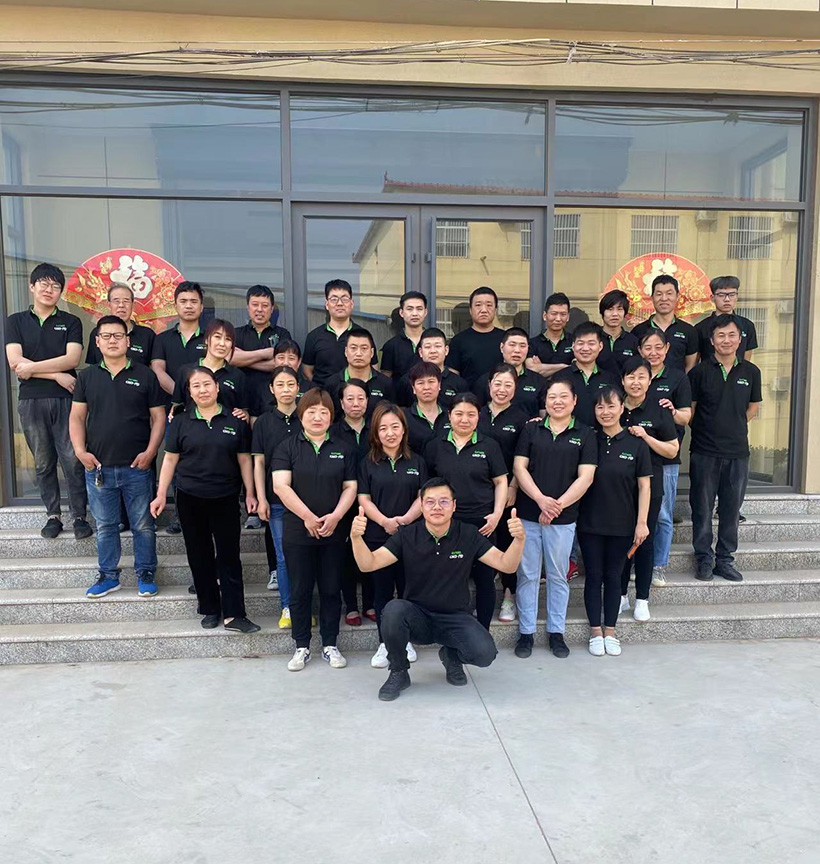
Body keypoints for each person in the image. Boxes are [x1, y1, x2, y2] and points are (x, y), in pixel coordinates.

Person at [350, 479, 525, 702]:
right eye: (430, 502)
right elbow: (369, 564)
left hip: (455, 617)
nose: (437, 507)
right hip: (418, 617)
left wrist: (519, 540)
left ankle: (451, 656)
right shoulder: (407, 535)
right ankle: (399, 672)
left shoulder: (468, 534)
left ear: (454, 505)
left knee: (485, 654)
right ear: (421, 506)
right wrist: (356, 538)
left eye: (444, 501)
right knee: (393, 610)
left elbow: (506, 565)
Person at [150, 366, 260, 633]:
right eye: (196, 386)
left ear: (217, 387)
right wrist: (161, 494)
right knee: (199, 556)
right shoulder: (181, 422)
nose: (203, 390)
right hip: (190, 497)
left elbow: (245, 460)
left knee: (229, 556)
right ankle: (210, 608)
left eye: (207, 384)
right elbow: (170, 460)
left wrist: (250, 493)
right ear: (189, 392)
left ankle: (234, 614)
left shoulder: (235, 421)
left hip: (225, 496)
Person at [70, 316, 166, 597]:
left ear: (128, 341)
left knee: (143, 525)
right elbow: (77, 417)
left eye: (118, 336)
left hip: (137, 466)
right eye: (106, 336)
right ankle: (108, 576)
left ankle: (146, 572)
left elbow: (158, 418)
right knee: (105, 526)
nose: (112, 341)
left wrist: (151, 452)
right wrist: (80, 451)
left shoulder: (145, 375)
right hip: (98, 467)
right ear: (97, 342)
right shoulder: (86, 377)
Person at [273, 388, 358, 672]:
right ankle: (301, 646)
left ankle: (330, 644)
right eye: (312, 411)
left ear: (332, 416)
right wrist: (308, 517)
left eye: (324, 412)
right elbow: (281, 486)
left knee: (332, 589)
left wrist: (336, 516)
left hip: (334, 531)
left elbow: (350, 487)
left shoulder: (343, 448)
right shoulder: (287, 447)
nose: (318, 417)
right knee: (300, 590)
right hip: (298, 531)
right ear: (301, 415)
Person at [4, 263, 91, 539]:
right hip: (32, 400)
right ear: (32, 286)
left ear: (60, 292)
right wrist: (56, 375)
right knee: (43, 462)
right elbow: (15, 362)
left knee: (72, 459)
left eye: (55, 286)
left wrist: (33, 368)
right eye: (43, 283)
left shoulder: (71, 321)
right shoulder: (15, 321)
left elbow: (72, 359)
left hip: (66, 400)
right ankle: (53, 515)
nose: (49, 289)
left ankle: (79, 516)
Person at [513, 375, 597, 659]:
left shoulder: (585, 434)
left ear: (574, 401)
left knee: (558, 576)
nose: (557, 402)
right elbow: (520, 468)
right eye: (552, 397)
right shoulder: (531, 430)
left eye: (563, 397)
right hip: (529, 514)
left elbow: (586, 477)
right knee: (527, 574)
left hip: (563, 518)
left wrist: (556, 506)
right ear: (545, 402)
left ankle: (556, 632)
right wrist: (540, 500)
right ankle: (526, 632)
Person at [577, 387, 651, 657]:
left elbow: (644, 486)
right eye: (600, 407)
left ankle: (611, 630)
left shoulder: (636, 444)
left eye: (611, 406)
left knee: (614, 577)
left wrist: (641, 523)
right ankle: (595, 631)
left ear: (622, 408)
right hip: (590, 523)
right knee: (594, 575)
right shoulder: (588, 439)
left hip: (622, 524)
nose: (605, 412)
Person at [424, 393, 508, 629]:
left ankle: (482, 631)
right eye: (459, 414)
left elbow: (501, 481)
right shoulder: (435, 446)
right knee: (449, 579)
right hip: (446, 525)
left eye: (471, 414)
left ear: (478, 416)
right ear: (449, 415)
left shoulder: (489, 445)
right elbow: (427, 487)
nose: (464, 419)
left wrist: (497, 514)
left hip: (483, 523)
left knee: (484, 578)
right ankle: (451, 631)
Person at [688, 314, 762, 583]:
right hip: (704, 451)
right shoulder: (699, 372)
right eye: (721, 335)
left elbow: (752, 408)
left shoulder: (751, 372)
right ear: (712, 340)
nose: (726, 340)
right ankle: (704, 558)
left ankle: (725, 559)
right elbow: (691, 411)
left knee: (731, 510)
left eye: (732, 335)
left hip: (737, 453)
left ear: (740, 340)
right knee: (702, 508)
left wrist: (733, 425)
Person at [358, 402, 427, 668]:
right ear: (376, 432)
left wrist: (406, 519)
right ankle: (385, 642)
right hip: (378, 537)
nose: (390, 433)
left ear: (404, 430)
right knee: (382, 593)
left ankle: (406, 640)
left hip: (411, 537)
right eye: (383, 428)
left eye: (395, 427)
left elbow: (423, 497)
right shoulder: (367, 463)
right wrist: (385, 522)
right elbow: (364, 499)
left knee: (408, 591)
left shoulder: (417, 461)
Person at [618, 357, 679, 621]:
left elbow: (672, 450)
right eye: (631, 377)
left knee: (645, 541)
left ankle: (642, 598)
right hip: (618, 488)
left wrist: (646, 437)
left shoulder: (659, 409)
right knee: (620, 541)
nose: (636, 382)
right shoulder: (615, 407)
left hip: (650, 487)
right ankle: (620, 595)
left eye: (641, 376)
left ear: (650, 379)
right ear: (623, 380)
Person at [150, 281, 207, 535]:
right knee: (175, 462)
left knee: (203, 460)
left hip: (206, 410)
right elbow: (157, 369)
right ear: (175, 306)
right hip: (173, 411)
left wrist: (198, 397)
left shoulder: (210, 337)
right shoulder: (163, 339)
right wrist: (184, 395)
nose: (189, 306)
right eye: (183, 301)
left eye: (194, 301)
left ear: (201, 306)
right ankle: (179, 516)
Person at [639, 330, 692, 586]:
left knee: (662, 514)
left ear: (667, 348)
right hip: (636, 458)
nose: (653, 352)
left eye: (658, 347)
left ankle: (658, 565)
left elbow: (686, 417)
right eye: (648, 347)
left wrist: (672, 412)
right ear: (640, 350)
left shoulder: (677, 378)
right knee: (636, 512)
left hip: (666, 458)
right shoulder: (634, 375)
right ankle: (637, 562)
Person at [477, 364, 529, 623]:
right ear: (489, 385)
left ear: (515, 388)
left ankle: (509, 595)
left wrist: (513, 486)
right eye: (497, 383)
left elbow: (524, 457)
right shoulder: (476, 413)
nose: (502, 389)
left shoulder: (521, 418)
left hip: (508, 490)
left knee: (508, 540)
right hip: (477, 491)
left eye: (508, 384)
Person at [253, 366, 302, 627]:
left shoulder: (308, 417)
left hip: (308, 501)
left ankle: (304, 606)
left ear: (298, 388)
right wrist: (261, 498)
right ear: (272, 389)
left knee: (306, 557)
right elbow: (259, 463)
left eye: (291, 384)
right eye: (280, 385)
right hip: (277, 502)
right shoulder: (263, 422)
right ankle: (288, 607)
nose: (286, 390)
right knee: (283, 557)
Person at [331, 379, 374, 625]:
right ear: (341, 402)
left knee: (370, 550)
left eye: (360, 398)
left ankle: (370, 603)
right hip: (342, 502)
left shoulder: (376, 428)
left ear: (367, 401)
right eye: (350, 398)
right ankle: (351, 606)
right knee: (346, 555)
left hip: (373, 501)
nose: (355, 403)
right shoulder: (333, 430)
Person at [230, 284, 293, 418]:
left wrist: (244, 359)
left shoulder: (282, 334)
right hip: (242, 400)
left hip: (271, 399)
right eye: (255, 305)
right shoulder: (236, 333)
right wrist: (266, 353)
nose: (259, 309)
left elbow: (280, 364)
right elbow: (230, 359)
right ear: (248, 307)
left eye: (265, 305)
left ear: (272, 308)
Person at [171, 319, 249, 420]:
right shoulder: (186, 371)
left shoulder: (238, 375)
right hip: (191, 428)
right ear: (207, 340)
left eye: (228, 339)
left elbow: (244, 411)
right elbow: (177, 407)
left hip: (226, 428)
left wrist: (244, 414)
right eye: (217, 337)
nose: (222, 344)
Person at [630, 275, 699, 373]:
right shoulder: (638, 331)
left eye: (669, 293)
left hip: (678, 382)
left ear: (677, 296)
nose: (664, 298)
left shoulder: (688, 331)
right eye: (659, 294)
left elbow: (690, 367)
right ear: (652, 297)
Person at [471, 328, 546, 417]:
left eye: (522, 346)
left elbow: (544, 414)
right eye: (512, 345)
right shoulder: (485, 380)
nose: (517, 350)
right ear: (502, 347)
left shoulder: (538, 381)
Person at [302, 279, 358, 387]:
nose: (340, 303)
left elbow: (372, 368)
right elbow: (306, 369)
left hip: (353, 394)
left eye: (344, 299)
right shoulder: (314, 336)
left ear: (351, 303)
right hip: (323, 395)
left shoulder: (362, 335)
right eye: (334, 299)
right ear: (327, 304)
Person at [327, 327, 393, 417]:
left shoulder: (386, 383)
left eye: (364, 348)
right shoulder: (332, 383)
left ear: (372, 352)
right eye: (353, 348)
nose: (358, 353)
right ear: (346, 352)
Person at [395, 327, 468, 409]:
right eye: (427, 347)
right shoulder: (407, 380)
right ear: (420, 352)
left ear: (446, 350)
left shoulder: (459, 383)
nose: (433, 351)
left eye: (438, 346)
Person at [446, 287, 506, 386]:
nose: (484, 310)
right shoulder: (458, 341)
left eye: (489, 305)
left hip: (501, 393)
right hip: (468, 394)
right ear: (470, 310)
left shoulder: (505, 339)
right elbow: (453, 377)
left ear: (495, 310)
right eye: (478, 305)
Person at [86, 282, 155, 367]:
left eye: (126, 301)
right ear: (108, 305)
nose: (121, 305)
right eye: (116, 301)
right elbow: (92, 367)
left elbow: (153, 368)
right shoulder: (98, 333)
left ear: (133, 305)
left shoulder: (147, 335)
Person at [566, 322, 621, 426]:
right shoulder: (560, 378)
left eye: (591, 343)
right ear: (573, 346)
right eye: (580, 343)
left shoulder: (611, 379)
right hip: (569, 435)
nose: (585, 348)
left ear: (600, 346)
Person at [696, 276, 758, 363]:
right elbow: (695, 360)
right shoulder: (700, 328)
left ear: (737, 297)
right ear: (712, 298)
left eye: (732, 295)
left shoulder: (747, 325)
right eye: (721, 295)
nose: (727, 299)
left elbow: (746, 360)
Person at [402, 362, 452, 454]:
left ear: (439, 385)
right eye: (420, 383)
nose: (426, 387)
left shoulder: (451, 416)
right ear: (413, 388)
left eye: (431, 382)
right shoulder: (404, 417)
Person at [380, 291, 428, 379]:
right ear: (401, 313)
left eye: (419, 309)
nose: (414, 313)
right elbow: (385, 379)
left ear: (425, 312)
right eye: (409, 309)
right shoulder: (391, 345)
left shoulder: (434, 342)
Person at [527, 293, 575, 377]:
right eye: (554, 314)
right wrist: (565, 366)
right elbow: (532, 369)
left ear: (568, 317)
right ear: (545, 316)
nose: (558, 319)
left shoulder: (575, 341)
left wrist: (543, 367)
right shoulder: (532, 344)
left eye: (563, 314)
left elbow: (578, 368)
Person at [597, 289, 639, 374]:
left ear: (625, 313)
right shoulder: (594, 339)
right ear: (602, 313)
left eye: (619, 309)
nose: (615, 314)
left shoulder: (633, 341)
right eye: (610, 309)